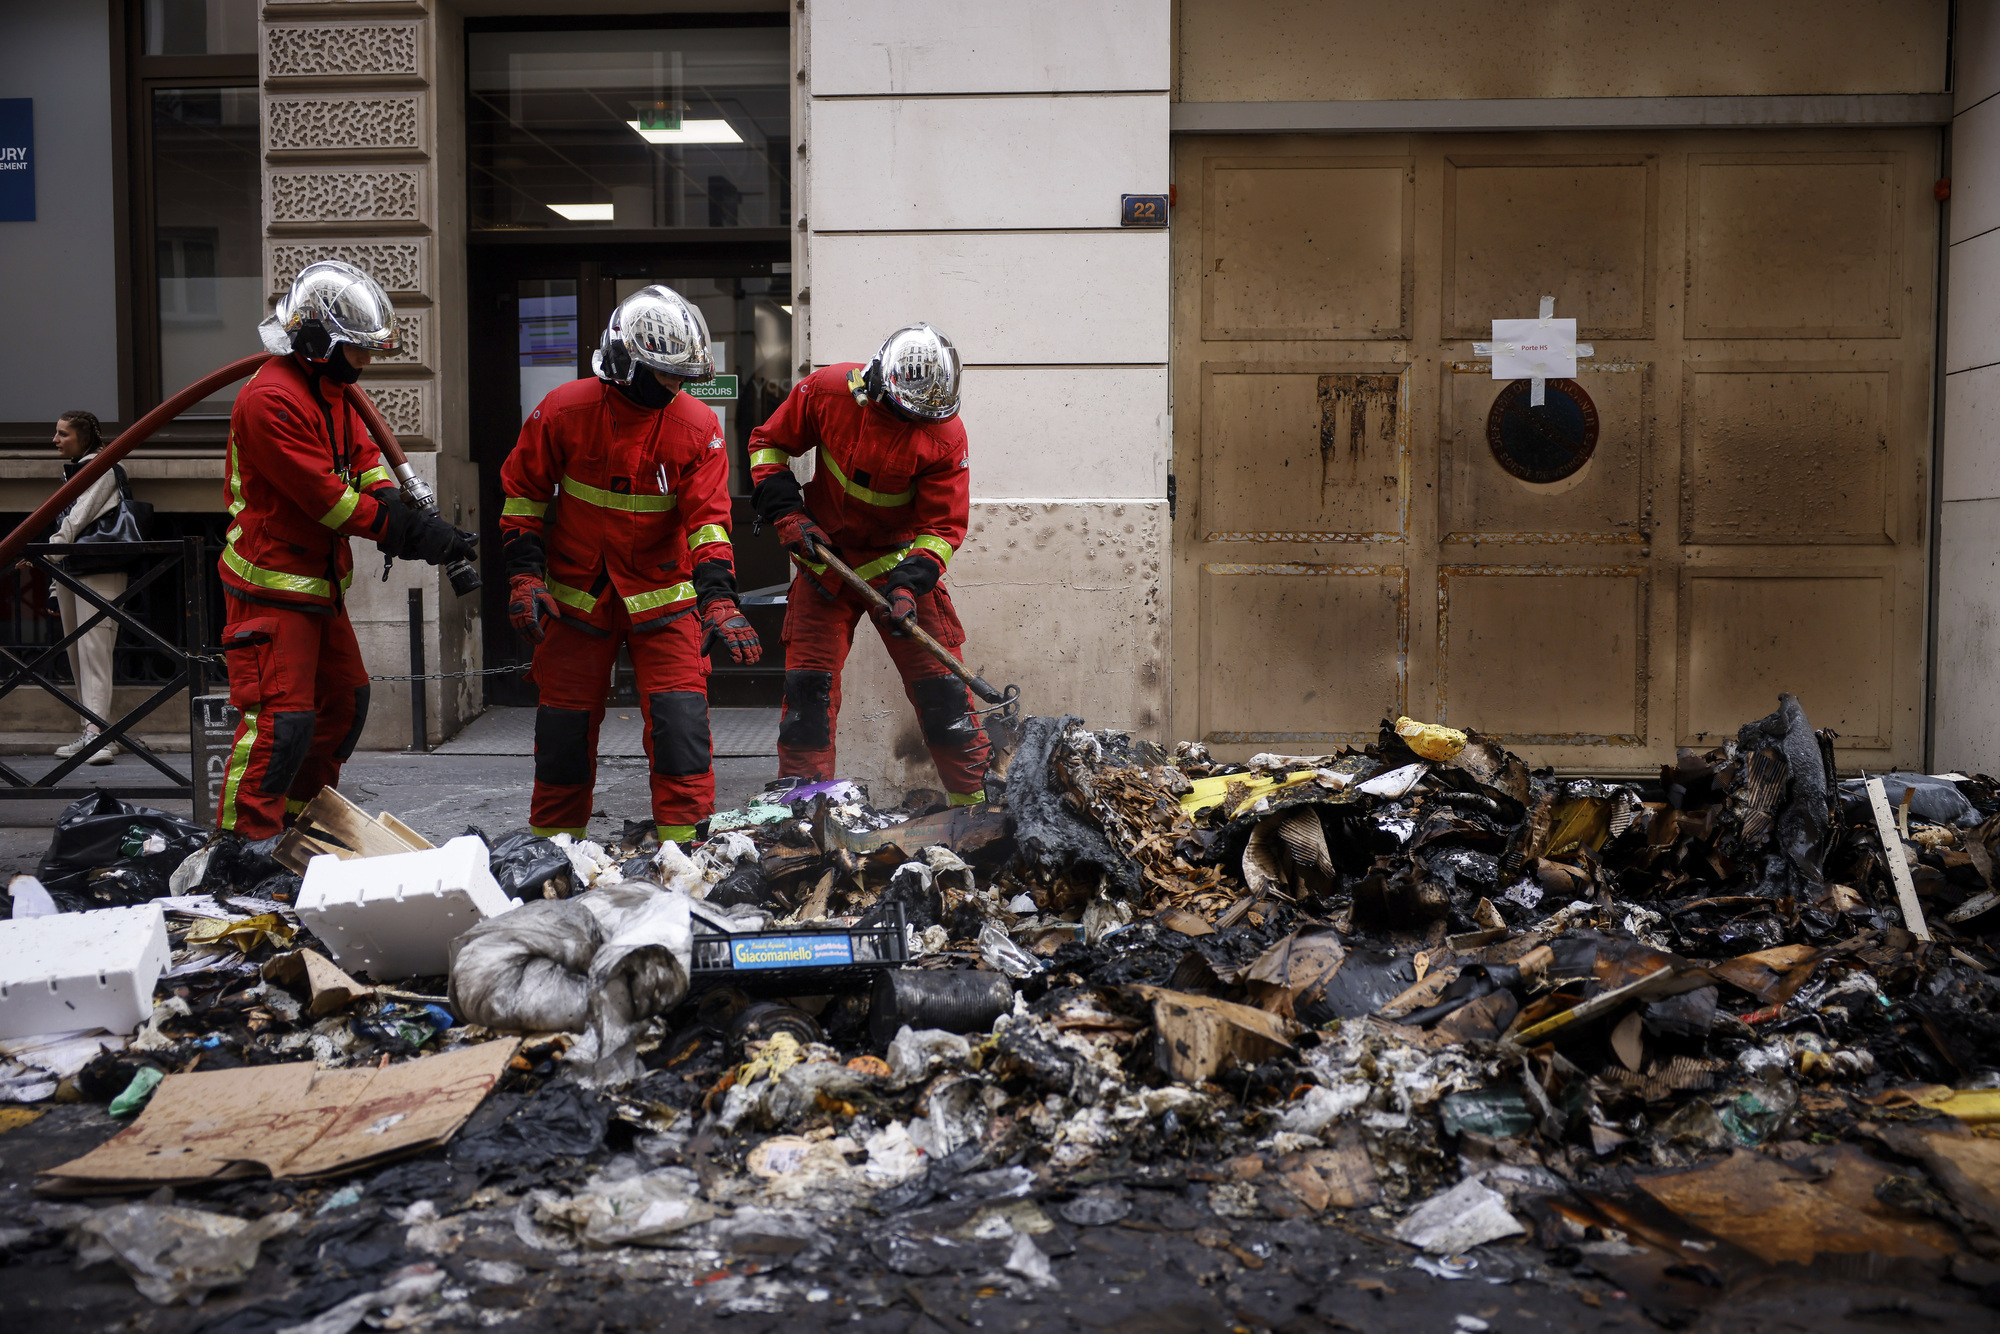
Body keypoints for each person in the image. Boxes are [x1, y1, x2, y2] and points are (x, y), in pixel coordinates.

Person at [215, 259, 477, 838]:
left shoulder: (332, 390)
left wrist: (395, 502)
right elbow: (328, 502)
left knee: (344, 703)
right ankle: (240, 845)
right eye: (356, 349)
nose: (365, 361)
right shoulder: (270, 399)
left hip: (317, 582)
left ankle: (299, 825)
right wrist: (411, 533)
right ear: (315, 341)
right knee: (280, 722)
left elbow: (363, 462)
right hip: (271, 581)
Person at [500, 285, 761, 845]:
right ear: (625, 363)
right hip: (576, 601)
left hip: (667, 600)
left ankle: (685, 855)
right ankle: (553, 853)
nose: (675, 387)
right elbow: (523, 497)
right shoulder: (564, 411)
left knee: (681, 729)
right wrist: (524, 576)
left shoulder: (698, 427)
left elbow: (709, 522)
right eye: (666, 375)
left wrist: (719, 598)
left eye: (682, 377)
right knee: (563, 734)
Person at [747, 323, 990, 806]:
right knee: (808, 695)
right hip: (825, 562)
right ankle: (805, 813)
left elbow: (942, 527)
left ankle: (978, 812)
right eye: (907, 413)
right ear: (880, 384)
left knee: (944, 694)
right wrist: (787, 512)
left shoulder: (945, 436)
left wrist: (908, 585)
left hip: (898, 566)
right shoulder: (827, 392)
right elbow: (767, 445)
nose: (915, 424)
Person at [27, 410, 129, 764]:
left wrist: (47, 552)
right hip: (74, 568)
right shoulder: (75, 470)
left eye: (63, 434)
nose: (55, 440)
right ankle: (95, 731)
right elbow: (69, 521)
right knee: (79, 655)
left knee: (94, 652)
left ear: (84, 438)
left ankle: (96, 737)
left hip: (99, 570)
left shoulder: (102, 467)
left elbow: (78, 517)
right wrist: (55, 587)